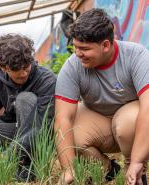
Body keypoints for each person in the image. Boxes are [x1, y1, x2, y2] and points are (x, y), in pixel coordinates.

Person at [55, 8, 149, 185]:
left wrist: (137, 161)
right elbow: (62, 119)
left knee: (129, 121)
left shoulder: (136, 55)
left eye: (84, 49)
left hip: (130, 124)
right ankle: (107, 169)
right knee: (70, 130)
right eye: (75, 47)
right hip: (99, 122)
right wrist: (68, 169)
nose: (77, 53)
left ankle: (135, 171)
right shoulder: (73, 66)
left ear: (105, 45)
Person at [0, 34, 56, 182]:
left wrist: (10, 154)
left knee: (25, 99)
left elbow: (44, 127)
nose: (25, 73)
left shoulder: (47, 80)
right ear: (4, 68)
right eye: (18, 73)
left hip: (37, 134)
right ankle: (8, 155)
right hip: (14, 132)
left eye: (27, 67)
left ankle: (27, 168)